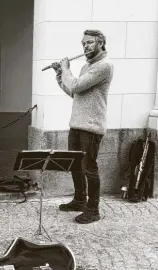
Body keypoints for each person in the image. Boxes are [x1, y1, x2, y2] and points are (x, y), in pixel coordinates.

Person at [52, 30, 114, 224]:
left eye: (89, 43)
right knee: (75, 165)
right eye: (83, 44)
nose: (85, 47)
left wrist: (66, 69)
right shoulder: (87, 67)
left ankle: (93, 209)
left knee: (89, 168)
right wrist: (60, 74)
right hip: (77, 124)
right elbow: (75, 92)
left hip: (91, 126)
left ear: (101, 43)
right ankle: (79, 200)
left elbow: (77, 86)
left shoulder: (104, 66)